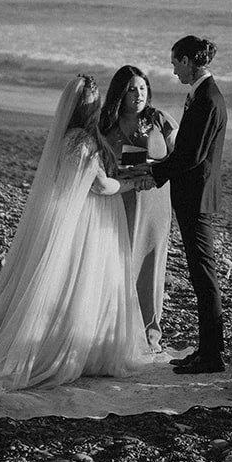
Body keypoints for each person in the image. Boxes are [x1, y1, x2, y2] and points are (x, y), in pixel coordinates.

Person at [0, 74, 153, 392]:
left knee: (73, 285)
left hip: (76, 219)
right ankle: (79, 349)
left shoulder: (67, 138)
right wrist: (133, 183)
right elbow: (101, 186)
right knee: (86, 284)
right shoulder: (85, 143)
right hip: (90, 222)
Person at [95, 35, 227, 373]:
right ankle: (206, 351)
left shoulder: (208, 99)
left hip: (195, 197)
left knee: (204, 276)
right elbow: (186, 153)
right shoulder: (200, 95)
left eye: (174, 63)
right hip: (180, 195)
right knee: (199, 275)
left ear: (186, 61)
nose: (173, 70)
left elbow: (191, 155)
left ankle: (212, 355)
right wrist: (151, 170)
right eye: (132, 90)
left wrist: (154, 172)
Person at [97, 65, 174, 352]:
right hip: (119, 199)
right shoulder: (106, 125)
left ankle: (149, 335)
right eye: (131, 89)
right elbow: (98, 164)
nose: (138, 94)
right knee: (116, 263)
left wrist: (153, 168)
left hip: (155, 201)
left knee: (149, 267)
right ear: (120, 93)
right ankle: (112, 330)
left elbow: (180, 156)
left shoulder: (160, 119)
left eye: (142, 88)